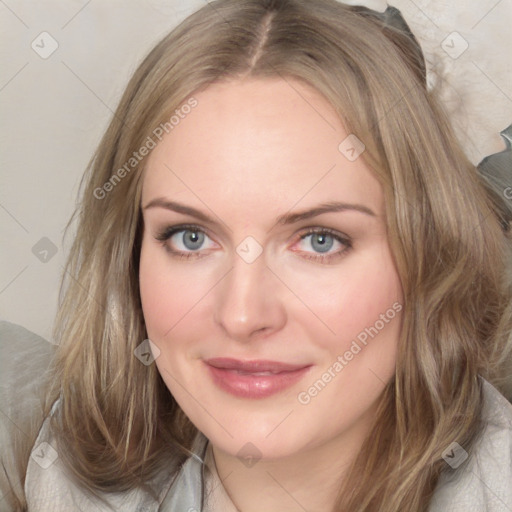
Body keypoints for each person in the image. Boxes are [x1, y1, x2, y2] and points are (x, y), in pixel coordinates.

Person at [1, 0, 511, 510]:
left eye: (319, 240)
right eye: (190, 237)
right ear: (130, 257)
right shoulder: (62, 477)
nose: (242, 315)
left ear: (428, 256)